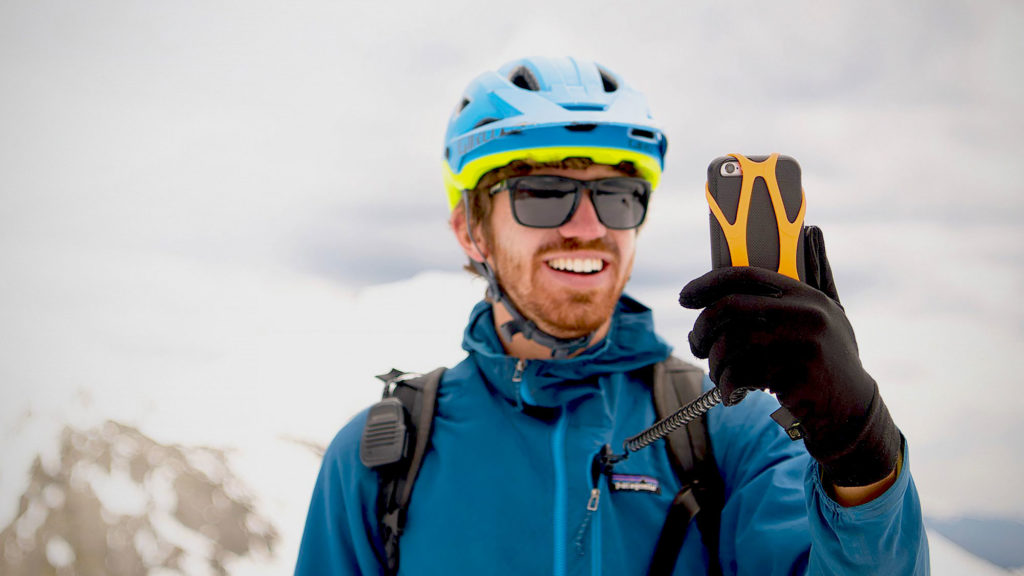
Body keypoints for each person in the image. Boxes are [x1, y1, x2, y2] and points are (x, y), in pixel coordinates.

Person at [296, 56, 929, 575]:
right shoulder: (381, 457)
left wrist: (859, 457)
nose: (588, 226)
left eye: (617, 195)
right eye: (543, 194)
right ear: (470, 230)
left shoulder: (735, 435)